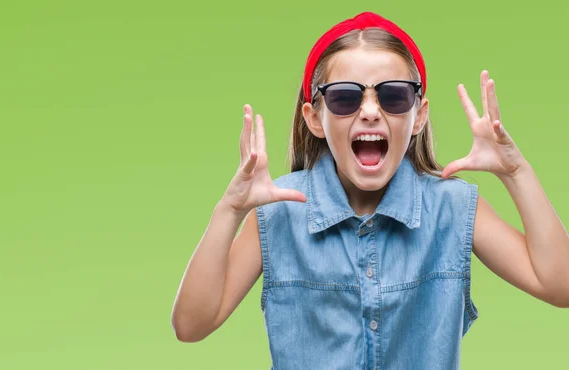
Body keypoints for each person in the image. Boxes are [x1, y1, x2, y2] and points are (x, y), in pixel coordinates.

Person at [171, 11, 569, 370]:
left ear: (419, 116)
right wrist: (230, 210)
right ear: (314, 117)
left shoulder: (453, 207)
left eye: (393, 95)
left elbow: (560, 285)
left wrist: (515, 172)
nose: (370, 110)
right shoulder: (279, 211)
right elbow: (190, 325)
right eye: (345, 97)